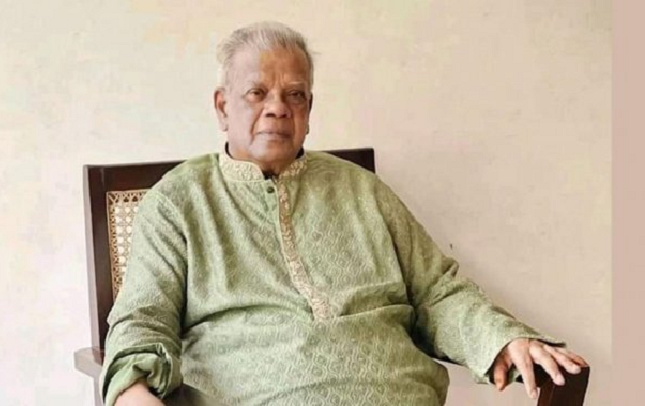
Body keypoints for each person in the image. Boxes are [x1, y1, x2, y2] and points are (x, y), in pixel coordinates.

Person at [100, 21, 588, 406]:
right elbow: (142, 319)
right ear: (222, 107)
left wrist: (501, 339)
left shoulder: (362, 190)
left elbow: (437, 292)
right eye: (257, 93)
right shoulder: (178, 201)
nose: (278, 108)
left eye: (294, 95)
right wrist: (131, 389)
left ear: (309, 110)